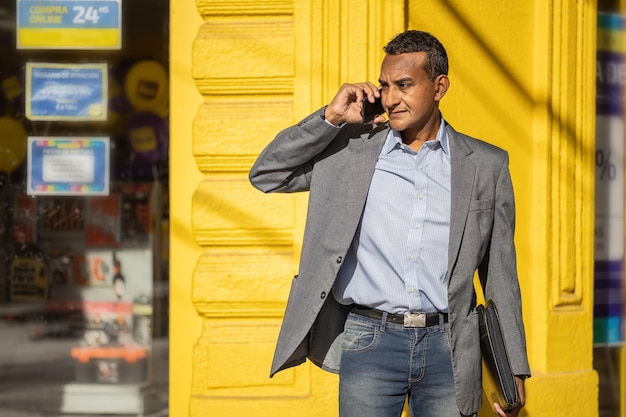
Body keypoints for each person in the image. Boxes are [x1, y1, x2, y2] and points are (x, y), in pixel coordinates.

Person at [249, 30, 530, 417]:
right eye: (384, 86)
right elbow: (267, 174)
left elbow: (501, 274)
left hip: (450, 346)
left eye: (404, 85)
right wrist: (330, 118)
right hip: (370, 340)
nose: (390, 97)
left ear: (439, 86)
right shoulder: (352, 150)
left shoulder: (485, 164)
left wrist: (513, 365)